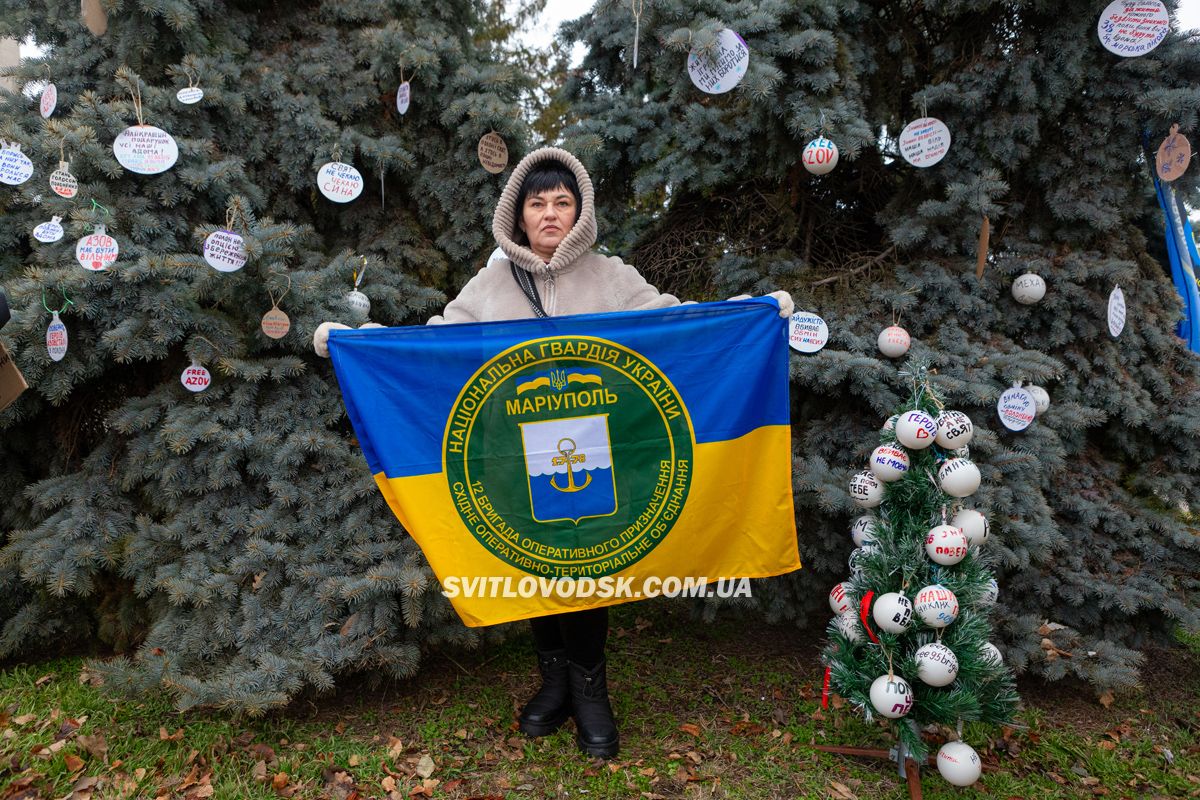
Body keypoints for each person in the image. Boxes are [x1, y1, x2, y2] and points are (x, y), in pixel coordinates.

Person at [315, 146, 793, 758]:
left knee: (591, 564)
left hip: (601, 452)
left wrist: (749, 317)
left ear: (580, 212)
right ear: (517, 215)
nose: (549, 214)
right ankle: (555, 683)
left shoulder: (612, 276)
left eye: (562, 202)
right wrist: (366, 346)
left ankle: (592, 688)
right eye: (537, 203)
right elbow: (434, 346)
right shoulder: (491, 284)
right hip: (516, 453)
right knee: (536, 563)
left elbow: (680, 325)